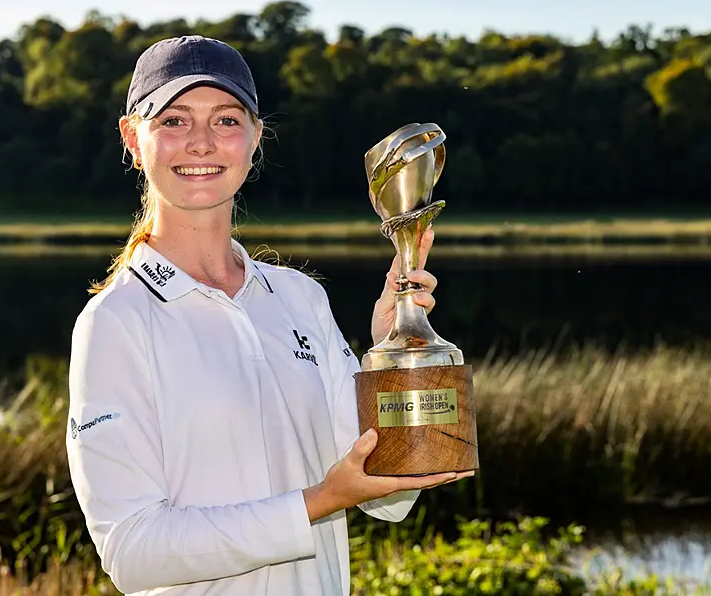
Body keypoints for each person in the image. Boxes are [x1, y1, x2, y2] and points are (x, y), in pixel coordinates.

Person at [65, 35, 473, 596]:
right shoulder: (116, 320)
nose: (203, 143)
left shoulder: (300, 297)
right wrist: (320, 502)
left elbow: (390, 497)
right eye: (175, 120)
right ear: (133, 137)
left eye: (227, 121)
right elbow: (133, 553)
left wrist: (392, 361)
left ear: (256, 138)